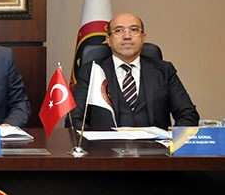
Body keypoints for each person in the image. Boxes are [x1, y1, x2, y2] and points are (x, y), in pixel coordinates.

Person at [69, 12, 199, 130]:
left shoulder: (164, 71)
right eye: (119, 30)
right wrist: (93, 144)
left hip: (155, 147)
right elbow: (74, 120)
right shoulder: (91, 71)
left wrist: (172, 142)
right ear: (109, 40)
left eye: (134, 30)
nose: (127, 36)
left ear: (143, 37)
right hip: (105, 147)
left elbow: (188, 115)